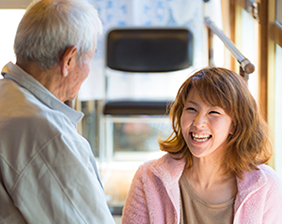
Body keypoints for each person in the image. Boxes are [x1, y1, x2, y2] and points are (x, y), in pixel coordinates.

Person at [0, 0, 115, 223]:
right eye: (89, 58)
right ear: (69, 60)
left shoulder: (7, 97)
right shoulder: (45, 132)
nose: (89, 70)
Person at [122, 67, 282, 224]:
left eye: (214, 113)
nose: (198, 123)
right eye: (191, 109)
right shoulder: (149, 178)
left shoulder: (265, 185)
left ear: (235, 124)